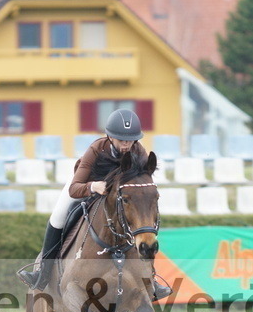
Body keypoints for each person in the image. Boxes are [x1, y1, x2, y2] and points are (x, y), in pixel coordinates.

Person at [19, 109, 172, 300]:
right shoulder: (96, 149)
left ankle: (151, 280)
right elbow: (74, 189)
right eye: (121, 139)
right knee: (58, 216)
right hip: (86, 185)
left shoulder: (138, 150)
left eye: (130, 139)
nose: (126, 144)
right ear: (110, 136)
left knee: (142, 225)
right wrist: (93, 186)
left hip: (117, 195)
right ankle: (43, 272)